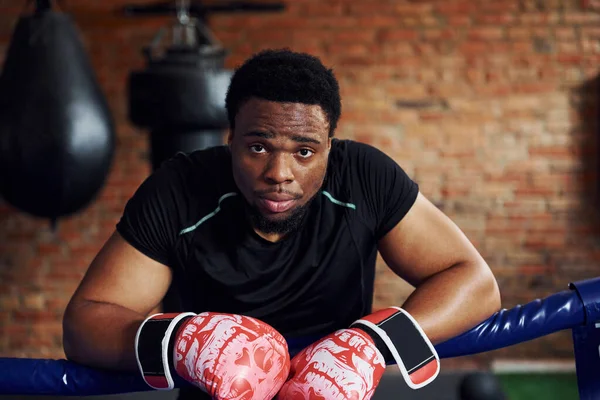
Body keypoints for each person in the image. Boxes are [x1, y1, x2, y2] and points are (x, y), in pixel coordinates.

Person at [62, 49, 501, 399]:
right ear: (230, 139)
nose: (279, 173)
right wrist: (184, 341)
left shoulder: (363, 176)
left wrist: (372, 343)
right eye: (257, 147)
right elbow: (86, 322)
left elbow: (474, 282)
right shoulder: (179, 190)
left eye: (304, 152)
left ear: (330, 148)